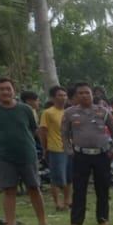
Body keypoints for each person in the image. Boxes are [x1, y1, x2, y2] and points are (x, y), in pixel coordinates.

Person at [0, 78, 47, 225]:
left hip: (27, 154)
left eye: (8, 89)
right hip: (4, 156)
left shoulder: (25, 109)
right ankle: (10, 224)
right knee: (9, 190)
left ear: (13, 90)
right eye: (1, 89)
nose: (5, 92)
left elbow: (32, 129)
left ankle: (43, 222)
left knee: (34, 188)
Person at [62, 82, 113, 225]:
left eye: (86, 93)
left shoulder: (103, 111)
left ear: (91, 94)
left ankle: (103, 219)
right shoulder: (69, 113)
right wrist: (69, 150)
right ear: (76, 96)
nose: (84, 95)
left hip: (101, 155)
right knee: (79, 189)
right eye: (80, 93)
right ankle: (76, 222)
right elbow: (64, 133)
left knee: (102, 188)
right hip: (80, 155)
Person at [40, 85, 71, 213]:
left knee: (69, 177)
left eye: (64, 95)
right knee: (57, 178)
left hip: (69, 148)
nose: (63, 98)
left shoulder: (69, 112)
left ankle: (67, 202)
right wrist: (45, 147)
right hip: (55, 148)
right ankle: (57, 203)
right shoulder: (48, 113)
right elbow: (42, 130)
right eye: (60, 95)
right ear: (53, 98)